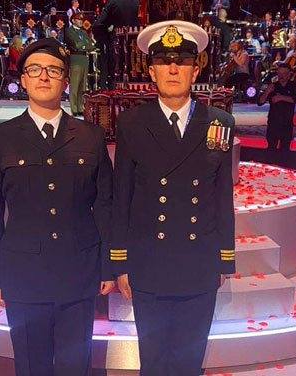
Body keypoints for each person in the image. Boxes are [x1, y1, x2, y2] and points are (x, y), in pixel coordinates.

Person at [0, 38, 114, 376]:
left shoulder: (91, 137)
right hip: (23, 273)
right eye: (34, 69)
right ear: (23, 80)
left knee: (75, 366)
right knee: (30, 365)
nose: (43, 76)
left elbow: (105, 206)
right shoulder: (0, 138)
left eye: (53, 70)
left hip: (78, 270)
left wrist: (108, 266)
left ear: (66, 80)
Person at [112, 21, 236, 375]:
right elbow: (123, 195)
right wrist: (120, 261)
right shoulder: (132, 123)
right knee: (153, 361)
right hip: (149, 261)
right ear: (151, 71)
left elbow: (222, 196)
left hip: (199, 261)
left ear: (195, 70)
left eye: (181, 62)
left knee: (189, 362)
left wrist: (224, 259)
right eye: (163, 62)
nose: (172, 69)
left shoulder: (220, 123)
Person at [258, 62, 296, 154]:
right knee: (271, 149)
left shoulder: (294, 86)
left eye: (284, 74)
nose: (282, 76)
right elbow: (260, 102)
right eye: (279, 74)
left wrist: (281, 97)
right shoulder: (273, 86)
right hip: (273, 122)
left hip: (286, 122)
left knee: (285, 150)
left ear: (289, 75)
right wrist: (267, 91)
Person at [65, 12, 93, 116]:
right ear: (73, 21)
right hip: (75, 59)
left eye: (82, 20)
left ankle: (81, 107)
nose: (81, 21)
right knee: (75, 85)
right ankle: (74, 108)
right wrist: (84, 46)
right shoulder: (69, 31)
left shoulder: (83, 32)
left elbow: (90, 45)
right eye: (79, 19)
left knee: (83, 85)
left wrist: (84, 46)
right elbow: (76, 45)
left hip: (84, 59)